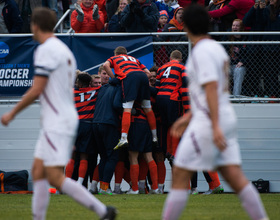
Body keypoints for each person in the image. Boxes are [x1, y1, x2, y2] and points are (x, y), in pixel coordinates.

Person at [1, 7, 116, 220]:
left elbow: (37, 88)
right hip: (62, 119)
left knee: (53, 176)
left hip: (57, 121)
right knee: (38, 171)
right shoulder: (63, 50)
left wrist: (12, 113)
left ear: (35, 26)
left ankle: (103, 211)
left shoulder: (46, 50)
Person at [162, 5, 268, 220]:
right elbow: (214, 91)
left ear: (186, 27)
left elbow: (211, 87)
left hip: (210, 121)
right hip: (220, 116)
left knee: (180, 173)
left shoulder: (200, 51)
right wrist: (189, 116)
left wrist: (214, 125)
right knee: (234, 176)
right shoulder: (216, 48)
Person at [103, 46, 158, 150]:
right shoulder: (134, 59)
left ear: (116, 54)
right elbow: (149, 74)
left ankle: (123, 138)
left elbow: (105, 65)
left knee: (127, 108)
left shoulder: (114, 58)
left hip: (129, 77)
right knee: (148, 108)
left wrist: (114, 77)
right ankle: (155, 137)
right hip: (142, 76)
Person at [65, 73, 100, 186]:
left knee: (72, 155)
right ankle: (80, 183)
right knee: (84, 156)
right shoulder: (95, 91)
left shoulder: (71, 92)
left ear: (78, 83)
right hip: (87, 125)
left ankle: (67, 183)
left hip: (74, 125)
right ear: (90, 83)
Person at [156, 50, 190, 158]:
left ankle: (167, 150)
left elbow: (157, 86)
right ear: (180, 59)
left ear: (170, 58)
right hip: (172, 98)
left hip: (160, 98)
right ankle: (173, 153)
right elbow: (186, 81)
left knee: (165, 125)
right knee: (174, 125)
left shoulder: (161, 68)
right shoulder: (182, 67)